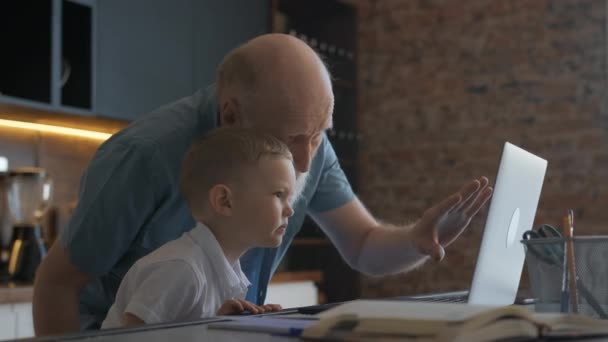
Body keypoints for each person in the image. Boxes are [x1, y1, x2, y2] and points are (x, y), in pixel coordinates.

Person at [33, 33, 493, 335]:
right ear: (231, 115)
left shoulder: (309, 142)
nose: (307, 159)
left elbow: (364, 244)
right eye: (293, 140)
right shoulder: (144, 157)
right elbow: (57, 284)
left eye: (321, 132)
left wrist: (416, 239)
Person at [101, 128, 292, 328]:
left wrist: (221, 323)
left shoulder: (224, 272)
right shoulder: (182, 268)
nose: (290, 210)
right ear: (224, 201)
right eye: (279, 194)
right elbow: (133, 337)